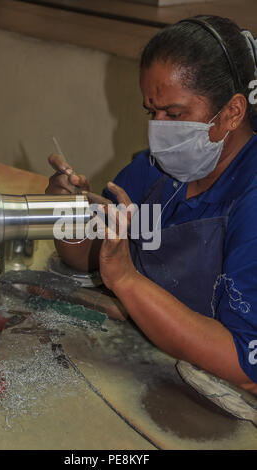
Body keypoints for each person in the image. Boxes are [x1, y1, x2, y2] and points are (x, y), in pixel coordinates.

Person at [46, 15, 257, 394]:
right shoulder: (156, 171)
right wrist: (64, 209)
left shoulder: (251, 200)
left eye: (174, 115)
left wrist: (127, 281)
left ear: (232, 112)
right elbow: (84, 255)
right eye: (152, 112)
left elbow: (243, 363)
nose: (160, 130)